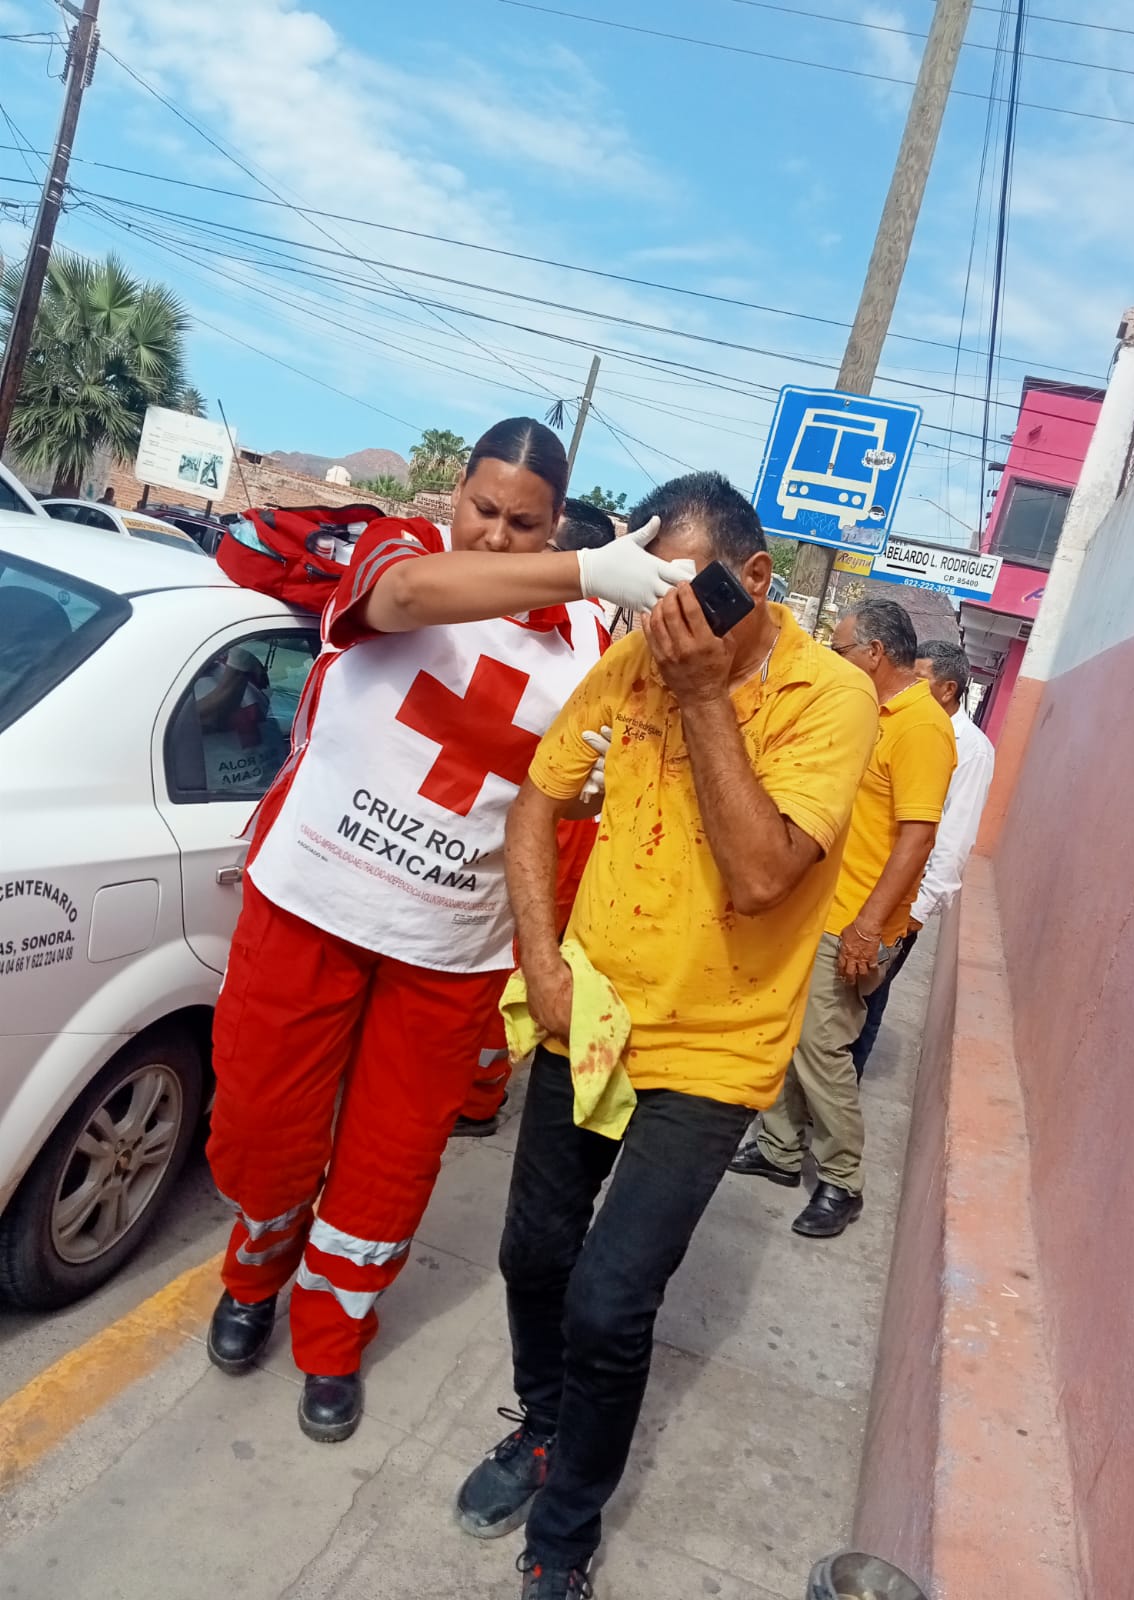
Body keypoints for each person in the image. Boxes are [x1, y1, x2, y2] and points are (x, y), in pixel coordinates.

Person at [203, 417, 692, 1444]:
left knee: (389, 1163)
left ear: (553, 518)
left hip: (449, 944)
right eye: (484, 508)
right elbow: (403, 605)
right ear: (454, 496)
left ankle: (332, 1340)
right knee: (261, 1127)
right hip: (311, 903)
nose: (499, 535)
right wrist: (578, 568)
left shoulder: (594, 646)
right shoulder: (406, 553)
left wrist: (589, 787)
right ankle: (252, 1277)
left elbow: (587, 786)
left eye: (525, 522)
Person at [454, 472, 879, 1598]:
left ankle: (567, 1533)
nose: (671, 626)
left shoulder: (830, 698)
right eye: (656, 603)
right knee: (533, 1253)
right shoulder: (637, 655)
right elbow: (539, 801)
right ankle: (542, 1428)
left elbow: (758, 874)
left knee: (608, 1300)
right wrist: (541, 963)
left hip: (718, 1046)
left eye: (695, 602)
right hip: (592, 1007)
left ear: (755, 580)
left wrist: (700, 695)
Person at [729, 599, 956, 1238]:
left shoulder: (919, 728)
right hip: (818, 906)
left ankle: (843, 1179)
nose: (835, 657)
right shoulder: (870, 712)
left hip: (853, 919)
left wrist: (866, 926)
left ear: (876, 654)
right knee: (792, 1033)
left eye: (842, 647)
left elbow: (917, 838)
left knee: (823, 1049)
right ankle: (778, 1149)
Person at [451, 500, 615, 1138]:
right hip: (564, 828)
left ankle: (478, 1094)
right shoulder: (596, 639)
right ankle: (482, 1090)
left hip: (547, 824)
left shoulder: (569, 637)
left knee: (510, 958)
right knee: (518, 958)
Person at [850, 638, 995, 1078]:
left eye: (921, 678)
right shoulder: (902, 724)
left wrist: (917, 912)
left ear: (947, 690)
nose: (910, 683)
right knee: (839, 1001)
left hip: (904, 901)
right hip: (865, 883)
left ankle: (834, 1110)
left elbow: (952, 840)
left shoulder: (971, 749)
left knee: (867, 999)